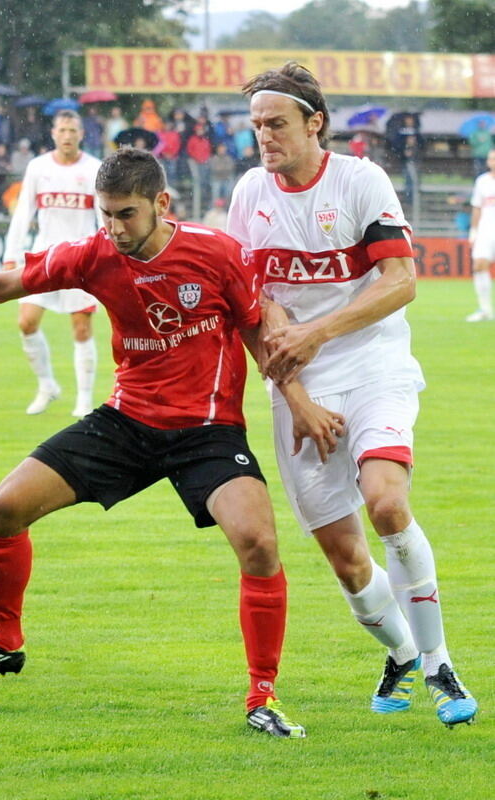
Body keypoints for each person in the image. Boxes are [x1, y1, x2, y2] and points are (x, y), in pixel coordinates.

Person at [0, 148, 343, 738]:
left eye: (125, 214)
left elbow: (258, 330)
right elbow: (3, 284)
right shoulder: (96, 252)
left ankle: (262, 697)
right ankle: (4, 641)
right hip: (125, 421)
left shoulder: (215, 252)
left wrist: (300, 402)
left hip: (206, 431)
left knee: (258, 542)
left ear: (161, 203)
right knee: (1, 508)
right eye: (104, 214)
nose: (113, 228)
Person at [227, 61, 478, 728]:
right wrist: (296, 389)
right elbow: (249, 308)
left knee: (386, 505)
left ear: (314, 123)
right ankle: (399, 652)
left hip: (373, 363)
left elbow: (399, 281)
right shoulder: (248, 193)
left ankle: (439, 665)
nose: (264, 137)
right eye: (255, 126)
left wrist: (315, 331)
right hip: (297, 387)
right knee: (344, 558)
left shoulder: (360, 180)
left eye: (275, 124)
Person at [3, 110, 101, 417]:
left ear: (81, 134)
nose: (67, 135)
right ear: (53, 133)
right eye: (62, 130)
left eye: (73, 130)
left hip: (81, 257)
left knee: (81, 328)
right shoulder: (38, 167)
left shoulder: (94, 169)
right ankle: (47, 385)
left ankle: (84, 399)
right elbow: (23, 213)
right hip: (43, 256)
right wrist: (12, 253)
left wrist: (105, 256)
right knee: (26, 322)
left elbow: (102, 218)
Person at [466, 147, 495, 322]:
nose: (493, 162)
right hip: (485, 230)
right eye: (491, 159)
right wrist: (473, 231)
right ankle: (485, 309)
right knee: (479, 265)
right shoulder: (482, 181)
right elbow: (476, 207)